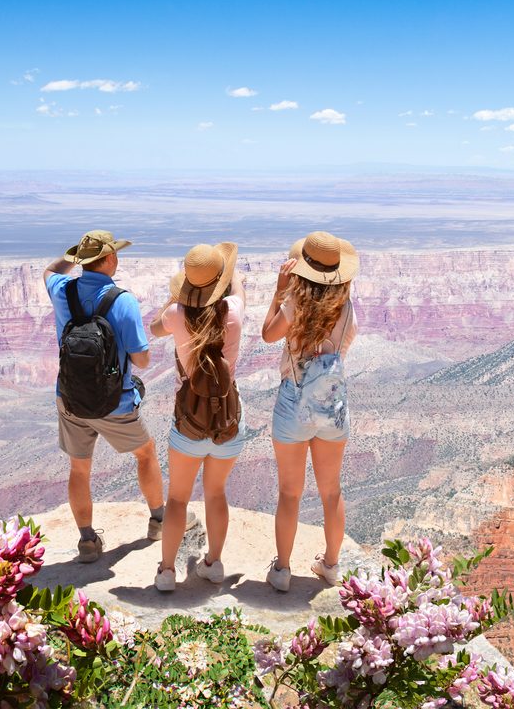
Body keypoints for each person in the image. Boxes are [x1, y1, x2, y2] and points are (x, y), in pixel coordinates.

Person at [44, 230, 180, 563]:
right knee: (145, 453)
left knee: (79, 469)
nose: (117, 258)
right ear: (108, 259)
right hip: (115, 402)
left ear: (82, 260)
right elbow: (142, 359)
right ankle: (159, 521)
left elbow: (49, 271)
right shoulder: (122, 300)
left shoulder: (63, 290)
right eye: (115, 253)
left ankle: (88, 541)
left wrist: (71, 256)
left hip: (71, 397)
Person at [261, 231, 358, 591]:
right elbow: (343, 346)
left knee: (290, 492)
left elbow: (269, 334)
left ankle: (282, 570)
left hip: (293, 402)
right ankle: (331, 564)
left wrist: (279, 292)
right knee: (331, 491)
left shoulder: (294, 305)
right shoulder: (347, 308)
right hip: (332, 405)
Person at [150, 242, 246, 592]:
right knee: (216, 493)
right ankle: (213, 563)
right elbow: (237, 289)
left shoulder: (176, 314)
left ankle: (166, 572)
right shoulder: (234, 311)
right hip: (227, 421)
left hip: (188, 422)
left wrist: (175, 295)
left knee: (177, 499)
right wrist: (225, 273)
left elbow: (153, 328)